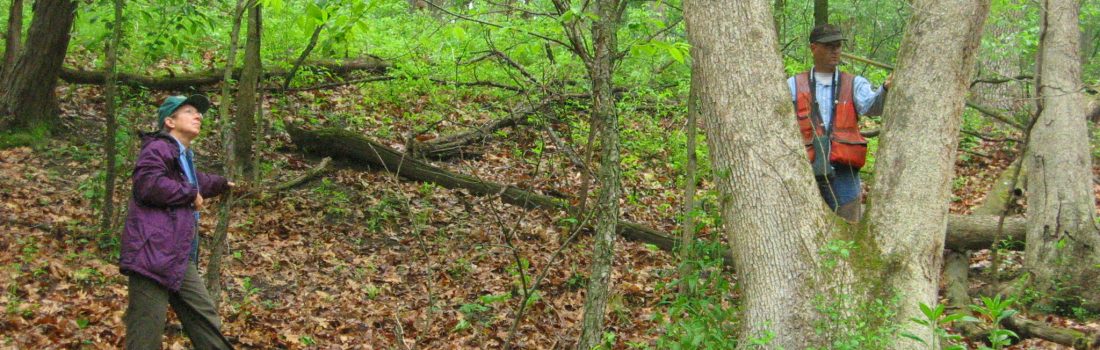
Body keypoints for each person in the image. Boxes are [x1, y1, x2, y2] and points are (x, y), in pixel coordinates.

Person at [119, 94, 234, 349]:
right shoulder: (158, 147)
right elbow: (148, 185)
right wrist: (190, 194)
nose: (199, 116)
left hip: (178, 256)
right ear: (170, 121)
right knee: (146, 331)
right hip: (152, 253)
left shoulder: (183, 156)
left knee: (205, 319)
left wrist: (222, 184)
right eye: (190, 111)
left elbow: (195, 181)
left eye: (199, 113)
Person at [787, 24, 890, 222]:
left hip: (845, 171)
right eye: (828, 46)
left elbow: (873, 108)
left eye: (838, 45)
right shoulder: (792, 85)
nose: (835, 50)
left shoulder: (854, 83)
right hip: (805, 170)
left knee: (850, 227)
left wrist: (885, 88)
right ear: (813, 48)